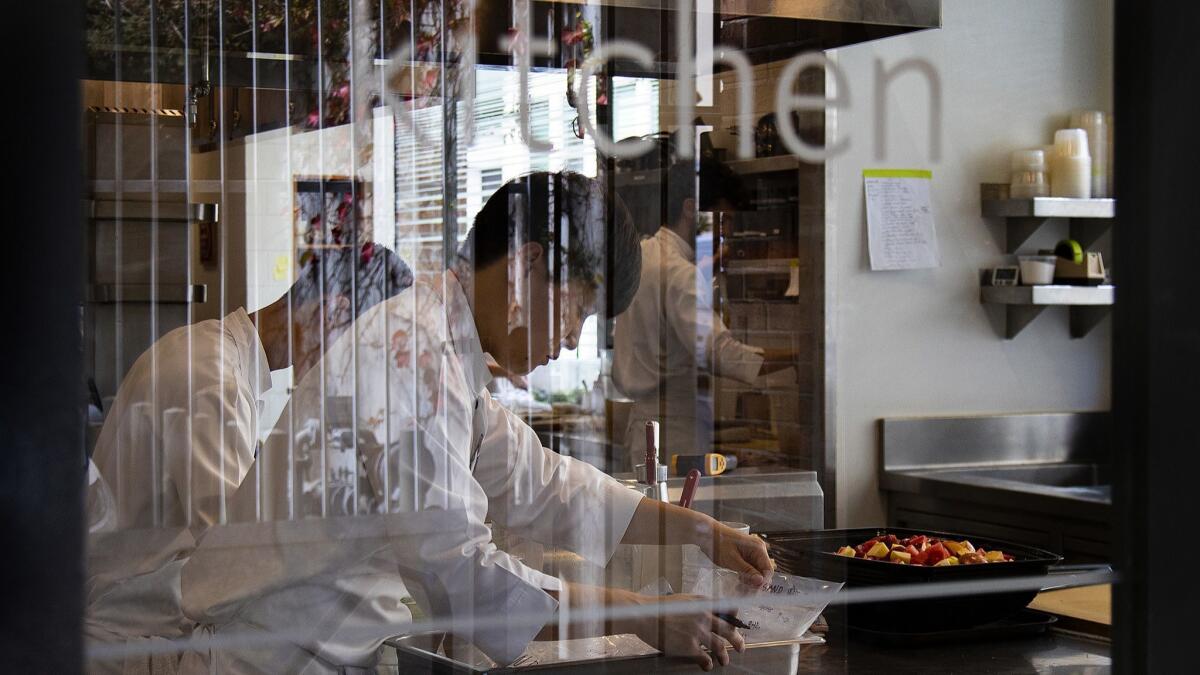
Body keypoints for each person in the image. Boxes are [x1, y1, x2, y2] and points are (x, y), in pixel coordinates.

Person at [179, 171, 774, 673]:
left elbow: (541, 481)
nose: (570, 340)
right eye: (577, 310)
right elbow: (461, 573)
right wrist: (641, 613)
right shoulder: (409, 355)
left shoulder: (445, 348)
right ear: (528, 265)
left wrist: (702, 533)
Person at [84, 244, 413, 673]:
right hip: (136, 640)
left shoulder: (213, 355)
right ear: (332, 312)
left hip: (145, 624)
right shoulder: (209, 378)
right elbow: (236, 553)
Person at [613, 161, 796, 470]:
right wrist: (796, 357)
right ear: (691, 208)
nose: (727, 232)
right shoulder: (680, 272)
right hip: (676, 434)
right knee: (676, 517)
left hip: (644, 428)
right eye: (724, 220)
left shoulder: (643, 255)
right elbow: (721, 354)